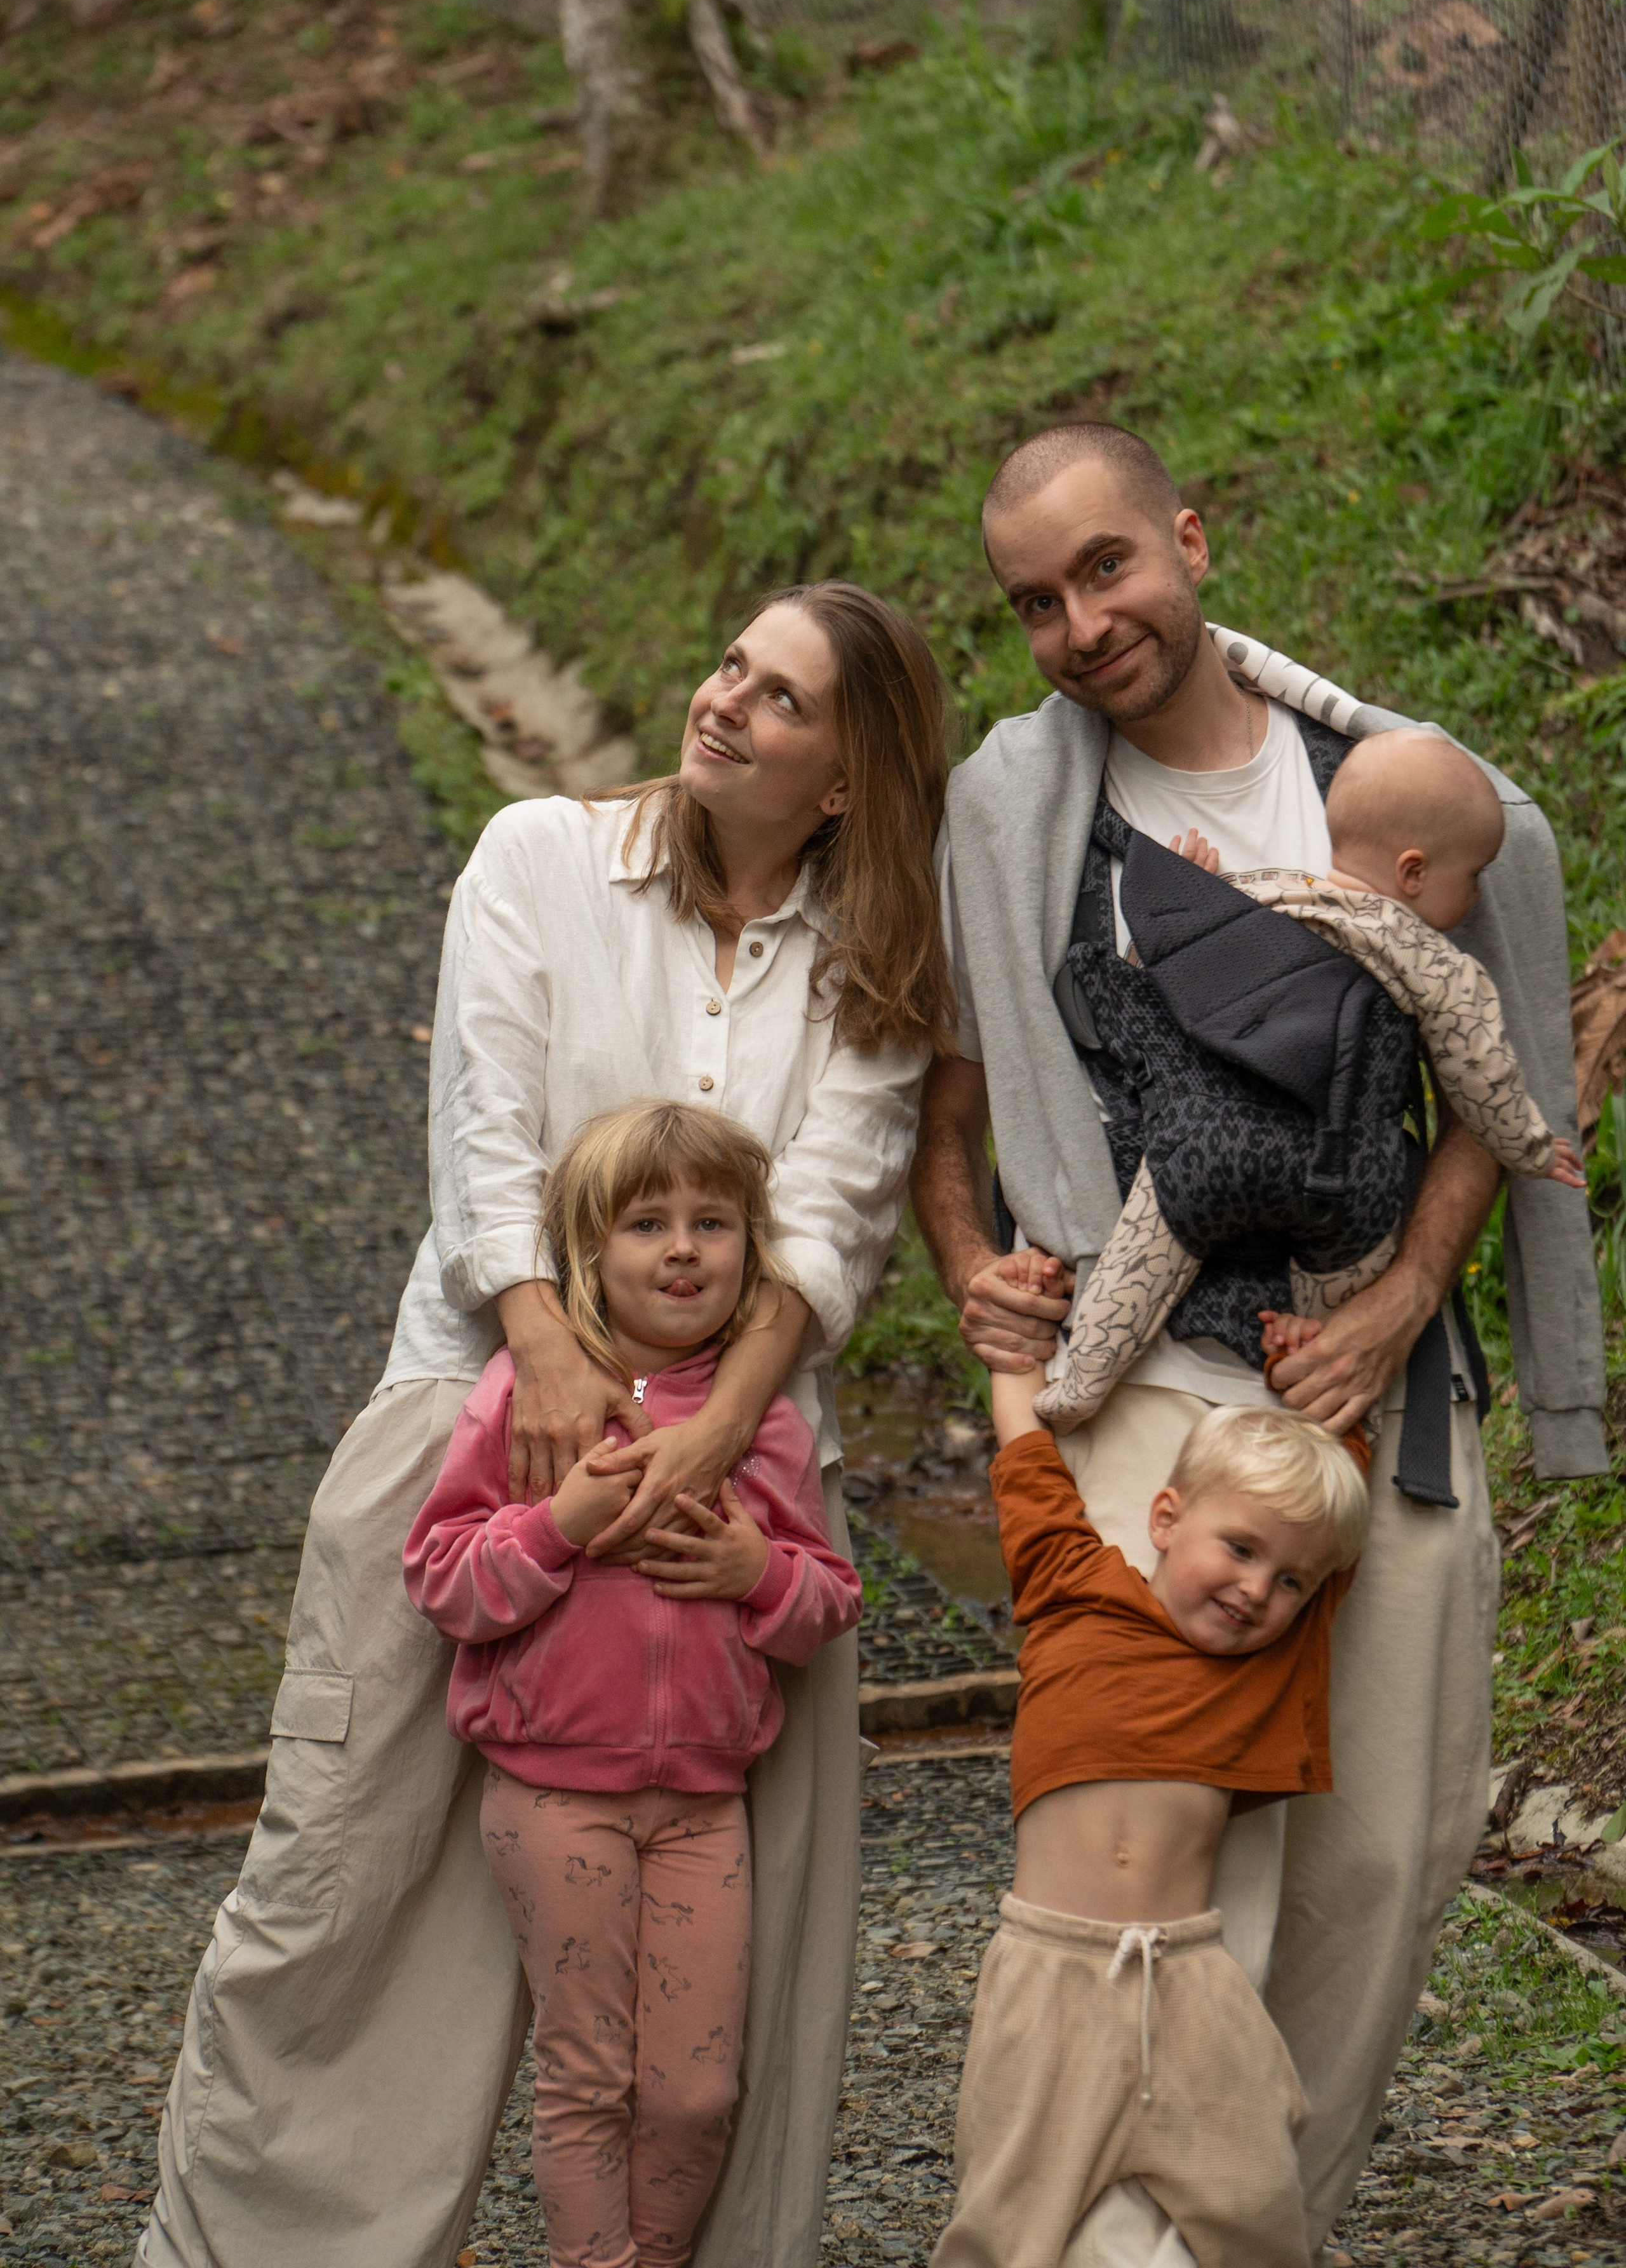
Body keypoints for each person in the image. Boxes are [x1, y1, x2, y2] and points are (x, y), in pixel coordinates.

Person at [140, 580, 955, 2268]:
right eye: (729, 663)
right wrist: (550, 1349)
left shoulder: (874, 959)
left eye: (782, 698)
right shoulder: (540, 858)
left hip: (738, 1482)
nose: (724, 699)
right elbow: (483, 1123)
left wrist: (718, 1430)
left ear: (848, 780)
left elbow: (833, 1216)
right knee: (338, 1891)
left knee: (726, 1985)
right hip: (477, 1413)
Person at [911, 421, 1606, 2264]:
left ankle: (1260, 2230)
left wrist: (1399, 1301)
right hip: (1156, 1385)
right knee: (1171, 1856)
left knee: (1383, 1857)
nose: (1080, 625)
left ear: (1190, 542)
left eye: (1107, 567)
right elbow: (951, 1103)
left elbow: (1491, 1085)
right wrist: (975, 1259)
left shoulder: (1390, 792)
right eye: (1035, 603)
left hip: (1383, 1385)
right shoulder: (1016, 821)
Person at [404, 1100, 863, 2268]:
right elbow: (443, 1580)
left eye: (714, 1223)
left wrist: (759, 1574)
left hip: (705, 1805)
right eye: (647, 1224)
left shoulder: (759, 1428)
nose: (683, 1249)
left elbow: (828, 1602)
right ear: (588, 1251)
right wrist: (557, 1526)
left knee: (698, 2091)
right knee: (588, 2074)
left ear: (751, 1249)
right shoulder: (525, 1399)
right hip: (555, 1799)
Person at [933, 1363, 1370, 2268]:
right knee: (1008, 2223)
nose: (1257, 1591)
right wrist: (1014, 1362)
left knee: (1256, 2203)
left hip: (1192, 1981)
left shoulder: (1268, 1664)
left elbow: (1332, 1540)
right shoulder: (1073, 1587)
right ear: (1166, 1519)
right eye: (1239, 1549)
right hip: (1050, 1974)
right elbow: (1027, 1460)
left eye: (1289, 1582)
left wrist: (1329, 1361)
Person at [1038, 727, 1586, 1435]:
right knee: (1345, 1308)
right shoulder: (1440, 963)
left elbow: (1161, 974)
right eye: (1474, 875)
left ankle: (1079, 1385)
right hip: (1341, 1174)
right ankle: (1314, 1370)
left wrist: (1193, 887)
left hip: (1210, 1144)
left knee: (1140, 1262)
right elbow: (1481, 1074)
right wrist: (1532, 1148)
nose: (1479, 895)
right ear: (1413, 872)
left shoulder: (1267, 892)